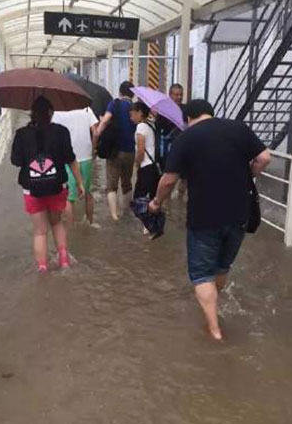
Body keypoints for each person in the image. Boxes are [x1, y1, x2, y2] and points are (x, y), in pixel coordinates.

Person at [148, 99, 272, 341]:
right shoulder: (238, 128)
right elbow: (265, 158)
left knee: (202, 273)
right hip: (239, 213)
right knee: (222, 267)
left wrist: (156, 203)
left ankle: (214, 330)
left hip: (204, 215)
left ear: (188, 118)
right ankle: (213, 304)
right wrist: (250, 175)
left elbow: (169, 180)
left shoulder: (186, 137)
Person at [10, 96, 84, 272]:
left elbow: (16, 161)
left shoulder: (22, 134)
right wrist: (79, 183)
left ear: (32, 114)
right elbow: (71, 159)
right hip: (57, 187)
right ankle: (64, 262)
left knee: (40, 231)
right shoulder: (61, 131)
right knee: (57, 223)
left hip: (32, 189)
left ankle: (42, 269)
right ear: (51, 113)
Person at [52, 105, 99, 227]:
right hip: (86, 156)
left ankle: (71, 228)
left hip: (68, 158)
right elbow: (95, 133)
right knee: (87, 193)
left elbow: (54, 135)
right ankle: (90, 222)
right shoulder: (87, 110)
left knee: (69, 198)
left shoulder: (58, 111)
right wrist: (93, 150)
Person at [96, 80, 136, 220]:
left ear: (120, 92)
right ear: (133, 93)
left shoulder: (114, 104)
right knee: (127, 182)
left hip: (114, 150)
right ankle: (127, 212)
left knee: (111, 185)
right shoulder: (134, 107)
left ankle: (114, 216)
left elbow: (106, 120)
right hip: (130, 151)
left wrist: (97, 135)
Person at [129, 101, 164, 238]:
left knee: (138, 199)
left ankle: (149, 226)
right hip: (154, 167)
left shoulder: (141, 127)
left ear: (140, 113)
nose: (131, 116)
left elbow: (141, 151)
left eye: (132, 113)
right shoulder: (151, 124)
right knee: (153, 197)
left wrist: (136, 163)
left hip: (146, 167)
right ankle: (155, 226)